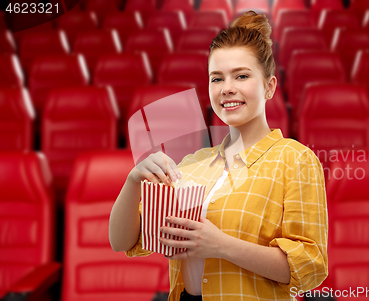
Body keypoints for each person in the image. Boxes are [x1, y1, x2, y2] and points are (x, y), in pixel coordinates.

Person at [109, 11, 328, 301]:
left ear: (270, 86)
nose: (227, 89)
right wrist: (134, 179)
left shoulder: (295, 159)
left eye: (241, 76)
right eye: (217, 78)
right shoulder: (193, 164)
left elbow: (310, 266)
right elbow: (122, 241)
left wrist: (220, 245)